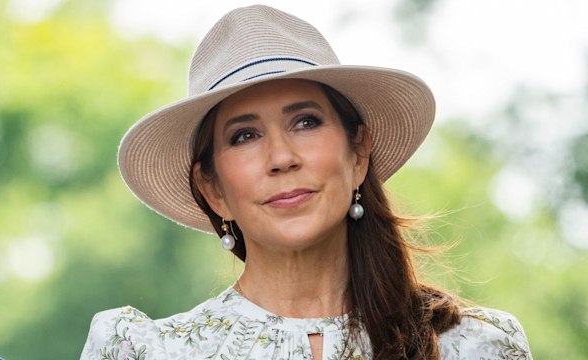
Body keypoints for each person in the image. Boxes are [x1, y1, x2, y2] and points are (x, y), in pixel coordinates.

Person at [80, 5, 532, 360]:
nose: (281, 157)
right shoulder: (147, 352)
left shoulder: (476, 347)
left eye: (305, 122)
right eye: (245, 135)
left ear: (358, 154)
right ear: (213, 190)